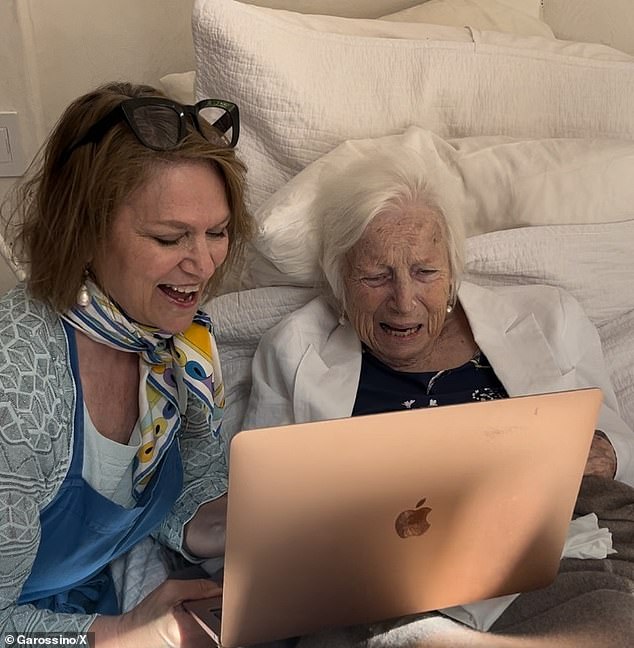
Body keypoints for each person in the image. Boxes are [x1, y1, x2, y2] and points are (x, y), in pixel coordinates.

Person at [245, 148, 634, 647]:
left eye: (425, 273)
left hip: (555, 563)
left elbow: (621, 453)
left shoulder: (547, 318)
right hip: (386, 591)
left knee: (610, 612)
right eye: (376, 276)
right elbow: (262, 518)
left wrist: (607, 451)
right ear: (339, 278)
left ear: (453, 269)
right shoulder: (293, 351)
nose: (404, 301)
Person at [0, 82, 251, 645]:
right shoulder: (16, 393)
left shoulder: (177, 348)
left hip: (96, 594)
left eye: (218, 232)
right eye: (170, 238)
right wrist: (114, 633)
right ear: (83, 231)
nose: (204, 263)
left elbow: (191, 482)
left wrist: (240, 525)